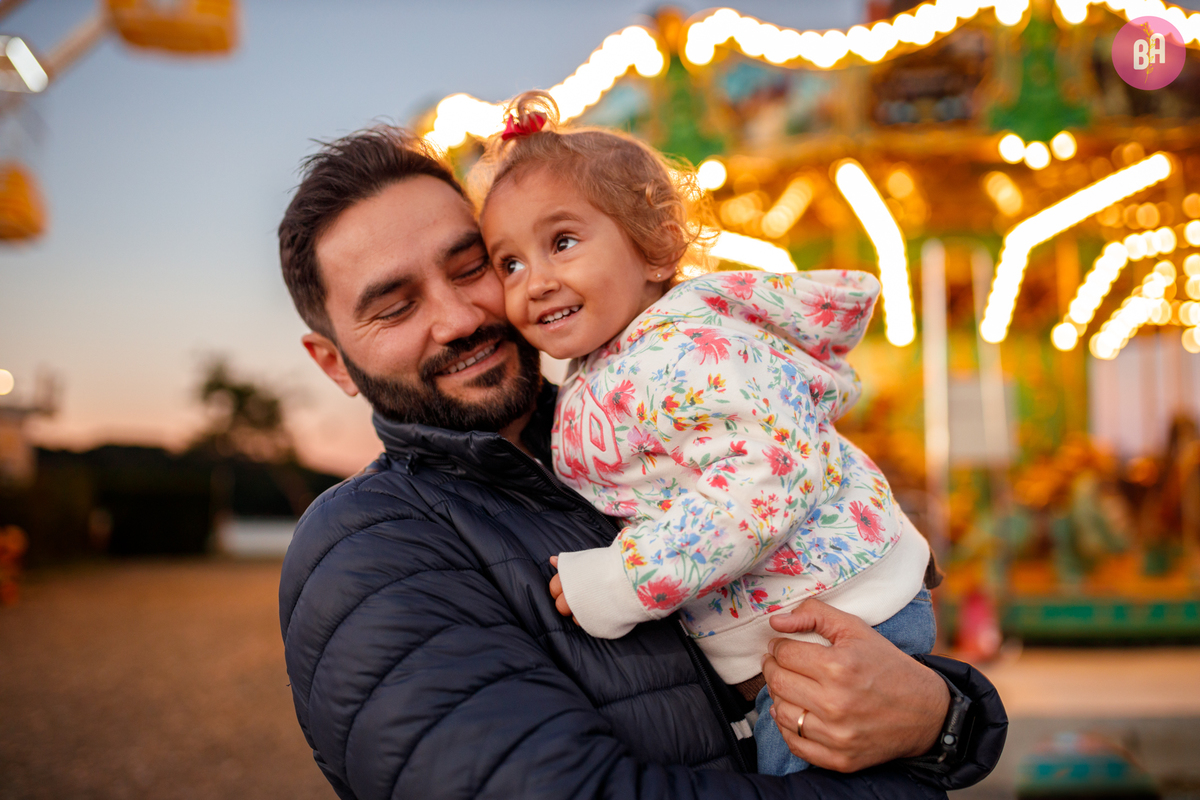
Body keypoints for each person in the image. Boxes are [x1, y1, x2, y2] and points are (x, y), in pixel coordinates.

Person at [277, 124, 1007, 800]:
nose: (461, 317)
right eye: (395, 307)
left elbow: (863, 669)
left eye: (472, 269)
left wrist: (943, 717)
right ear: (333, 363)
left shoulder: (635, 424)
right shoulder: (367, 551)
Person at [477, 94, 934, 776]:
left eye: (562, 242)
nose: (535, 282)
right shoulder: (614, 357)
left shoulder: (684, 351)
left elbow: (764, 478)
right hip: (796, 618)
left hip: (839, 613)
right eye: (508, 263)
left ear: (656, 246)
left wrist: (622, 581)